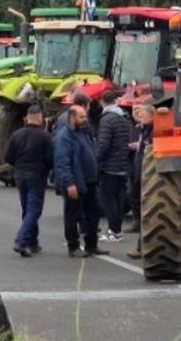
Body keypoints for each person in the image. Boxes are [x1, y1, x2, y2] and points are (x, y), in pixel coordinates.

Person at [54, 105, 108, 258]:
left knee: (93, 214)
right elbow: (62, 161)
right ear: (72, 117)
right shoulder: (64, 137)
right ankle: (73, 246)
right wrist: (69, 183)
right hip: (75, 183)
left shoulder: (85, 133)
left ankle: (92, 245)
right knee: (72, 216)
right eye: (81, 117)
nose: (85, 120)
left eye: (85, 116)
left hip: (90, 182)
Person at [4, 105, 52, 257]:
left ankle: (33, 241)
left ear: (27, 117)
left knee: (27, 209)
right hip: (37, 176)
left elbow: (8, 158)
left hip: (20, 176)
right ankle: (21, 240)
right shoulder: (44, 137)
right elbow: (51, 159)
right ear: (40, 118)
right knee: (34, 210)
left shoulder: (16, 135)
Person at [95, 91, 132, 242]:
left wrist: (96, 160)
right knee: (118, 199)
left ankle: (113, 231)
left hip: (109, 166)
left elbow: (103, 144)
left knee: (109, 200)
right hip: (122, 164)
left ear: (102, 102)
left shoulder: (107, 119)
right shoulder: (123, 118)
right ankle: (117, 230)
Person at [125, 104, 154, 259]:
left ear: (151, 116)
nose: (139, 119)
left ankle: (143, 247)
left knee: (148, 213)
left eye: (142, 116)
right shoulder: (143, 130)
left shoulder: (152, 132)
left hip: (148, 178)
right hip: (140, 176)